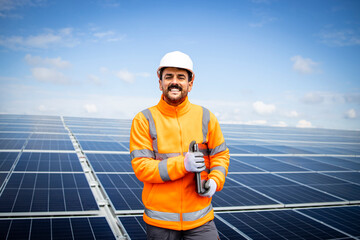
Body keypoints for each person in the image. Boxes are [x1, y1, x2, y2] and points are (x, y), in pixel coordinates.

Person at [130, 51, 230, 239]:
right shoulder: (144, 119)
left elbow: (220, 155)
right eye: (168, 77)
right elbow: (141, 167)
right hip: (161, 223)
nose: (174, 82)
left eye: (181, 77)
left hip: (202, 220)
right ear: (160, 83)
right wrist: (182, 164)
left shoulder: (206, 117)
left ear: (190, 84)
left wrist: (216, 180)